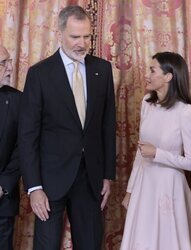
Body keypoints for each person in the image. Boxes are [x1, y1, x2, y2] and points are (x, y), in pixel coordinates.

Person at [18, 5, 116, 250]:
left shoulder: (102, 70)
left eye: (86, 37)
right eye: (75, 37)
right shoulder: (39, 74)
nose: (82, 43)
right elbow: (28, 134)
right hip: (50, 181)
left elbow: (107, 125)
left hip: (90, 179)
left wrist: (107, 174)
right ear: (59, 34)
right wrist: (34, 187)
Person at [120, 52, 191, 250]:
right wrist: (130, 191)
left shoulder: (186, 112)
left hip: (169, 188)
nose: (147, 75)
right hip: (144, 186)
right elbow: (141, 152)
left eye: (152, 70)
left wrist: (158, 154)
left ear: (169, 76)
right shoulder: (147, 103)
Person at [0, 45, 22, 250]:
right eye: (3, 63)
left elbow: (22, 147)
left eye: (9, 61)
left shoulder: (17, 100)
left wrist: (3, 185)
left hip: (2, 202)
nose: (10, 68)